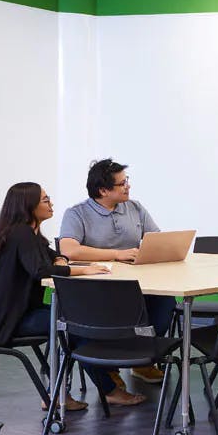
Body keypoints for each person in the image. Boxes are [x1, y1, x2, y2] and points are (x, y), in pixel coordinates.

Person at [0, 182, 112, 411]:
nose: (51, 203)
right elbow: (40, 271)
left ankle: (78, 389)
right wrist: (83, 269)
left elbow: (52, 255)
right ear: (29, 206)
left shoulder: (30, 233)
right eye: (45, 200)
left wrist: (61, 260)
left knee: (77, 322)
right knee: (74, 326)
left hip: (17, 313)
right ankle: (75, 392)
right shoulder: (21, 234)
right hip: (9, 321)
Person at [57, 158, 172, 398]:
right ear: (103, 190)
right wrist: (117, 255)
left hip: (137, 285)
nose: (127, 187)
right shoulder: (77, 214)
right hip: (96, 290)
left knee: (165, 305)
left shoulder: (135, 207)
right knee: (102, 324)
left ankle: (141, 361)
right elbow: (69, 249)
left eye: (126, 181)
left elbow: (156, 238)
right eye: (121, 184)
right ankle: (108, 369)